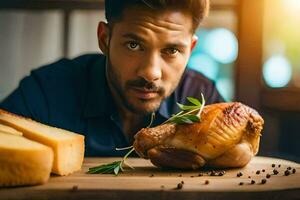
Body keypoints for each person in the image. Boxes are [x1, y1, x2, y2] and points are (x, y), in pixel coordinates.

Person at [0, 0, 224, 156]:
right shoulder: (46, 93)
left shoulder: (203, 98)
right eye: (134, 45)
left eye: (172, 51)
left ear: (191, 49)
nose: (151, 72)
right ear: (104, 39)